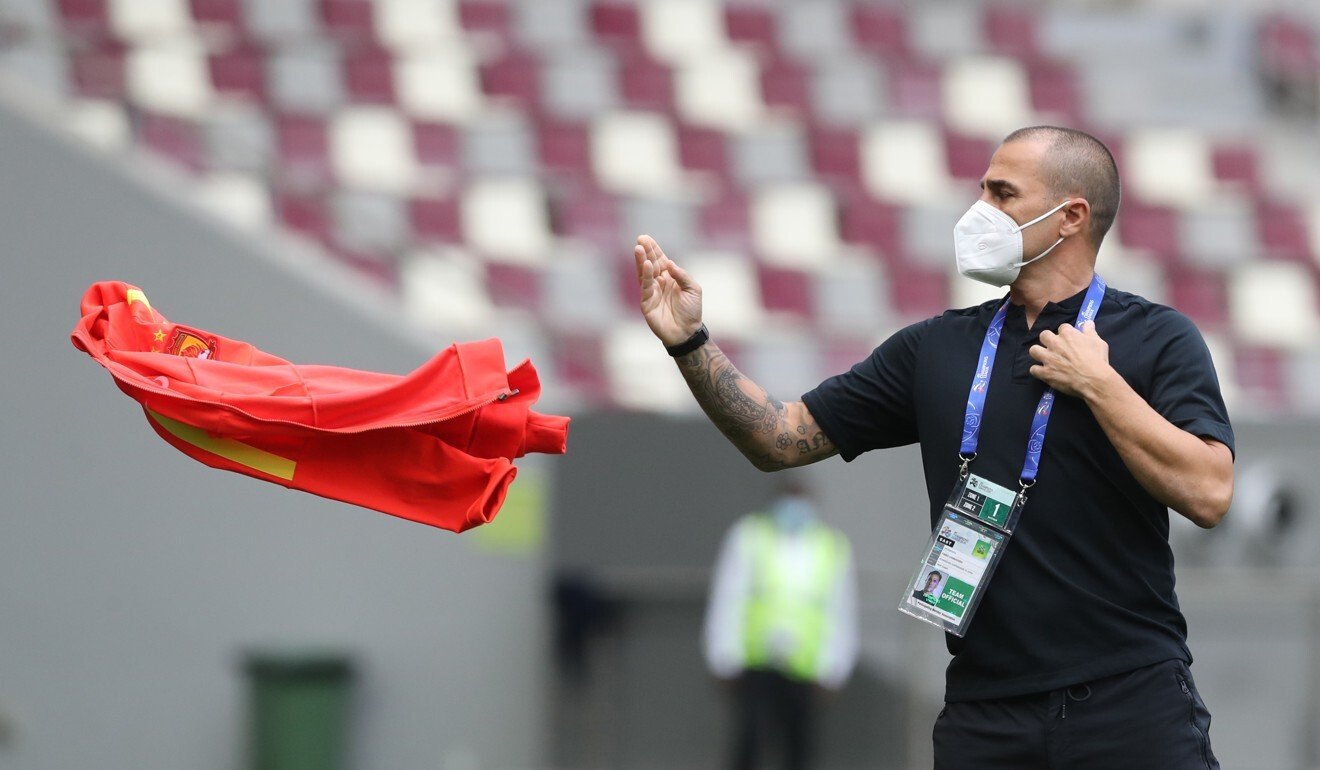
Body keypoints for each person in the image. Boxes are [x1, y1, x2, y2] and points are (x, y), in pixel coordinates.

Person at [633, 126, 1233, 769]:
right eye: (981, 190)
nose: (980, 211)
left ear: (1072, 217)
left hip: (1128, 700)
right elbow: (779, 438)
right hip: (985, 712)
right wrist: (690, 344)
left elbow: (1209, 491)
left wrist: (1100, 385)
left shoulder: (1156, 338)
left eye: (1003, 194)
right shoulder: (936, 348)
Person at [703, 482, 858, 770]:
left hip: (804, 668)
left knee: (798, 748)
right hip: (756, 664)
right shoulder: (749, 536)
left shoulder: (831, 546)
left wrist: (834, 668)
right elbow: (728, 598)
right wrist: (723, 656)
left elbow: (840, 610)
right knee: (749, 743)